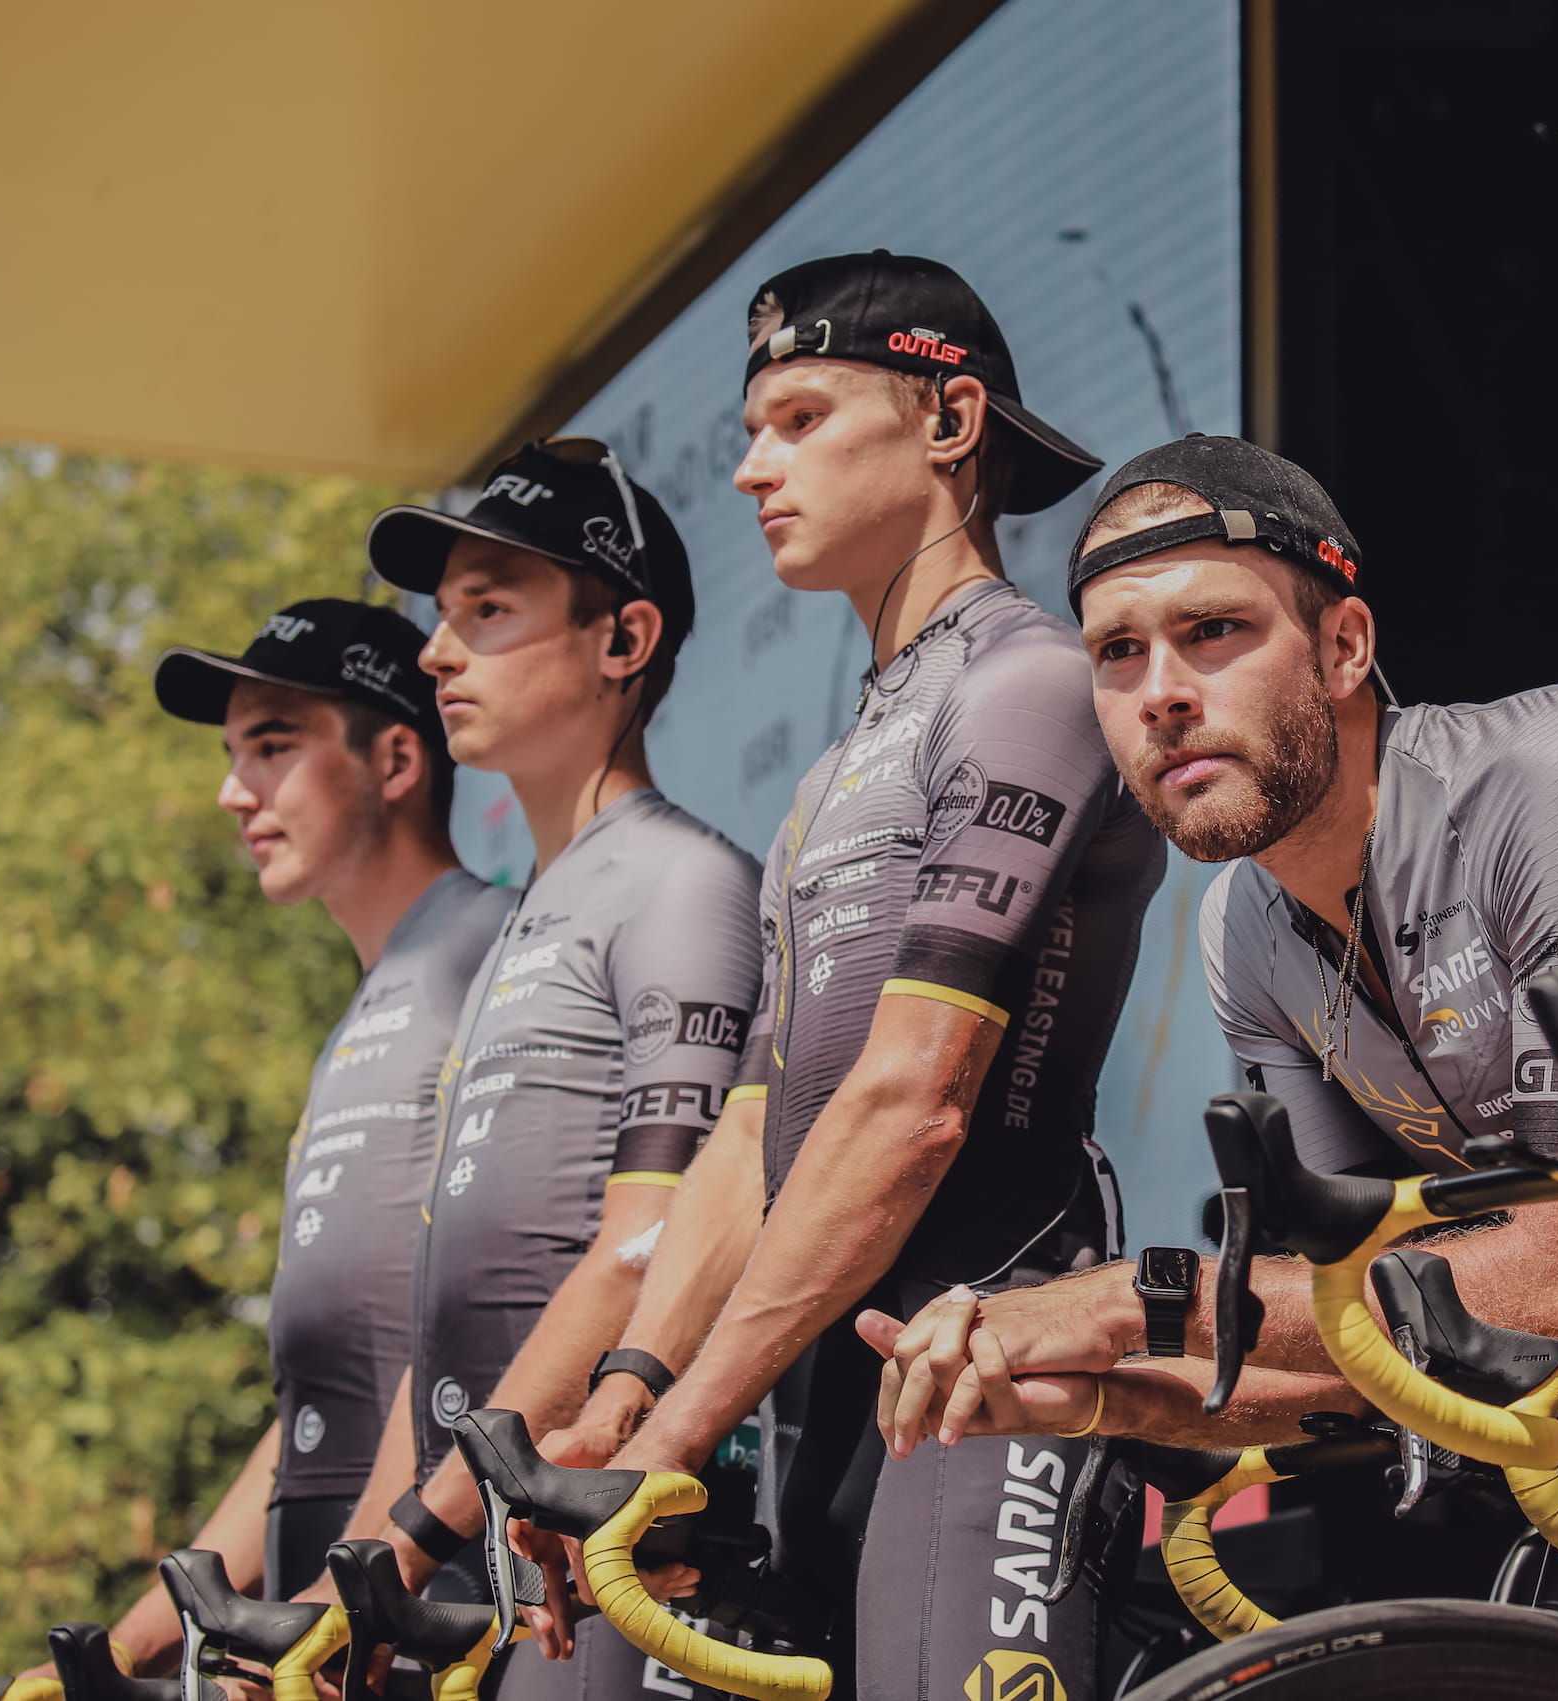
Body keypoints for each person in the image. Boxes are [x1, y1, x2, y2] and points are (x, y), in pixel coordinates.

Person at [866, 434, 1558, 1552]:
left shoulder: (1556, 777)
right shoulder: (1247, 932)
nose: (1159, 694)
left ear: (1345, 646)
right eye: (1116, 653)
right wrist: (1111, 1393)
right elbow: (1376, 1335)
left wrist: (1131, 1300)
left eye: (1212, 631)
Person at [520, 252, 1165, 1701]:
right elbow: (751, 1136)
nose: (751, 469)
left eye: (799, 419)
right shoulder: (832, 767)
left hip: (984, 1350)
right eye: (752, 428)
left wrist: (679, 1426)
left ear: (948, 423)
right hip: (818, 1387)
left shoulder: (1024, 681)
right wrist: (625, 1397)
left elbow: (913, 1105)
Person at [339, 438, 761, 1701]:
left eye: (488, 612)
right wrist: (375, 1557)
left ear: (622, 639)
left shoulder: (682, 881)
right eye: (438, 617)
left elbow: (651, 1248)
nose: (434, 654)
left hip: (579, 1539)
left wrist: (417, 1537)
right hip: (478, 1534)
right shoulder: (540, 906)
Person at [65, 599, 510, 1676]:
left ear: (397, 758)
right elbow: (319, 1402)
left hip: (421, 1606)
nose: (233, 792)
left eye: (271, 747)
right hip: (332, 1614)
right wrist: (130, 1646)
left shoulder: (492, 954)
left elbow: (482, 1328)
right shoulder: (365, 1007)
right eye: (230, 756)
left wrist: (356, 1581)